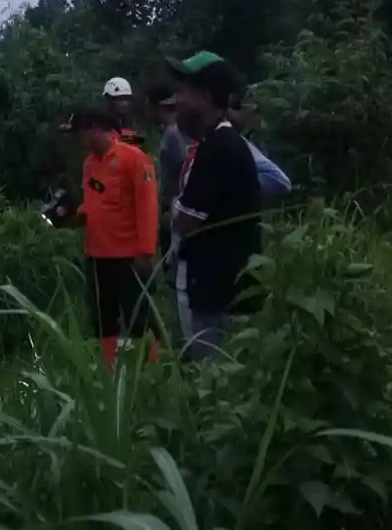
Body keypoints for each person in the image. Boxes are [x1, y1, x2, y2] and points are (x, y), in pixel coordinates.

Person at [168, 52, 263, 361]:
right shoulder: (222, 142)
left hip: (217, 291)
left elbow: (184, 220)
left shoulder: (217, 149)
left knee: (212, 373)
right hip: (226, 287)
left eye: (184, 92)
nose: (177, 100)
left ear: (206, 97)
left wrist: (175, 207)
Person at [56, 105, 162, 368]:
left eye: (78, 133)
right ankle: (109, 368)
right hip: (97, 253)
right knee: (103, 316)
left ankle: (151, 368)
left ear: (93, 129)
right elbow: (96, 199)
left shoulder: (133, 158)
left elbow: (147, 206)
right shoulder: (90, 164)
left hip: (128, 255)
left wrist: (146, 251)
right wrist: (75, 215)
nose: (76, 140)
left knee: (138, 315)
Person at [145, 83, 190, 260]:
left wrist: (172, 206)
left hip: (176, 204)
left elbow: (183, 168)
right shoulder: (173, 130)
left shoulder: (173, 134)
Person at [103, 77, 144, 147]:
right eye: (119, 99)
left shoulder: (128, 122)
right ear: (109, 99)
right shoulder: (100, 124)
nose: (124, 103)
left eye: (127, 99)